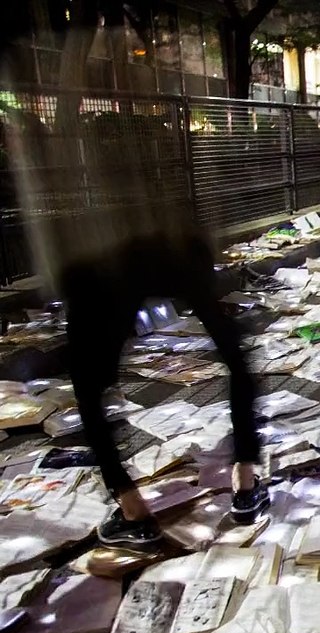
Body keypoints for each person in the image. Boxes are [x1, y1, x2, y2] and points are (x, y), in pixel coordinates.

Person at [5, 28, 269, 549]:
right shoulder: (156, 103)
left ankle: (132, 508)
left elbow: (42, 186)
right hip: (168, 242)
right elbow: (190, 175)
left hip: (95, 254)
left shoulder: (51, 85)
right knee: (234, 355)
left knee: (89, 385)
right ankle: (244, 480)